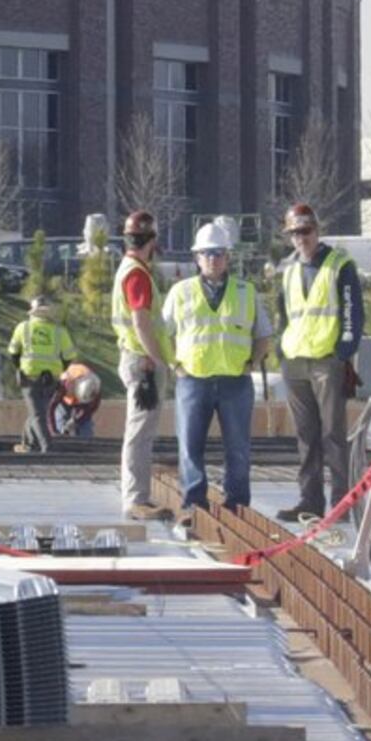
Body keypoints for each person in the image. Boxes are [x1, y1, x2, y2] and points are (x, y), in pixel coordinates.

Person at [168, 218, 271, 515]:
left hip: (234, 381)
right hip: (193, 379)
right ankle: (193, 502)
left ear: (228, 257)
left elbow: (263, 334)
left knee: (238, 448)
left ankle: (236, 503)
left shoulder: (245, 292)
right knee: (190, 446)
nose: (212, 259)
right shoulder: (181, 292)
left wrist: (252, 363)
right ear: (197, 257)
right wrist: (175, 365)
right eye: (207, 253)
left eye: (218, 253)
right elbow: (164, 333)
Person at [272, 204, 365, 519]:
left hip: (327, 360)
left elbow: (353, 312)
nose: (301, 238)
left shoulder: (339, 265)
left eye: (306, 231)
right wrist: (281, 348)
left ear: (317, 230)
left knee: (333, 435)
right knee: (306, 435)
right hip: (295, 360)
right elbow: (283, 313)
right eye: (294, 233)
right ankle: (310, 501)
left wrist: (343, 351)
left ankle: (341, 503)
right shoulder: (289, 268)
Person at [108, 210, 170, 517]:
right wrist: (156, 358)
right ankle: (135, 498)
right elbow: (141, 321)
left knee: (141, 432)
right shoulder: (137, 274)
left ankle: (137, 496)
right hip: (143, 361)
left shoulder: (128, 269)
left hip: (135, 356)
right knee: (140, 432)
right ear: (152, 241)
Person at [5, 296, 75, 452]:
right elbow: (69, 356)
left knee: (37, 414)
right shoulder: (59, 331)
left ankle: (46, 446)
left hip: (29, 378)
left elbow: (13, 352)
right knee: (38, 412)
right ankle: (29, 444)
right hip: (51, 380)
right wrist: (59, 370)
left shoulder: (23, 328)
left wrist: (20, 368)